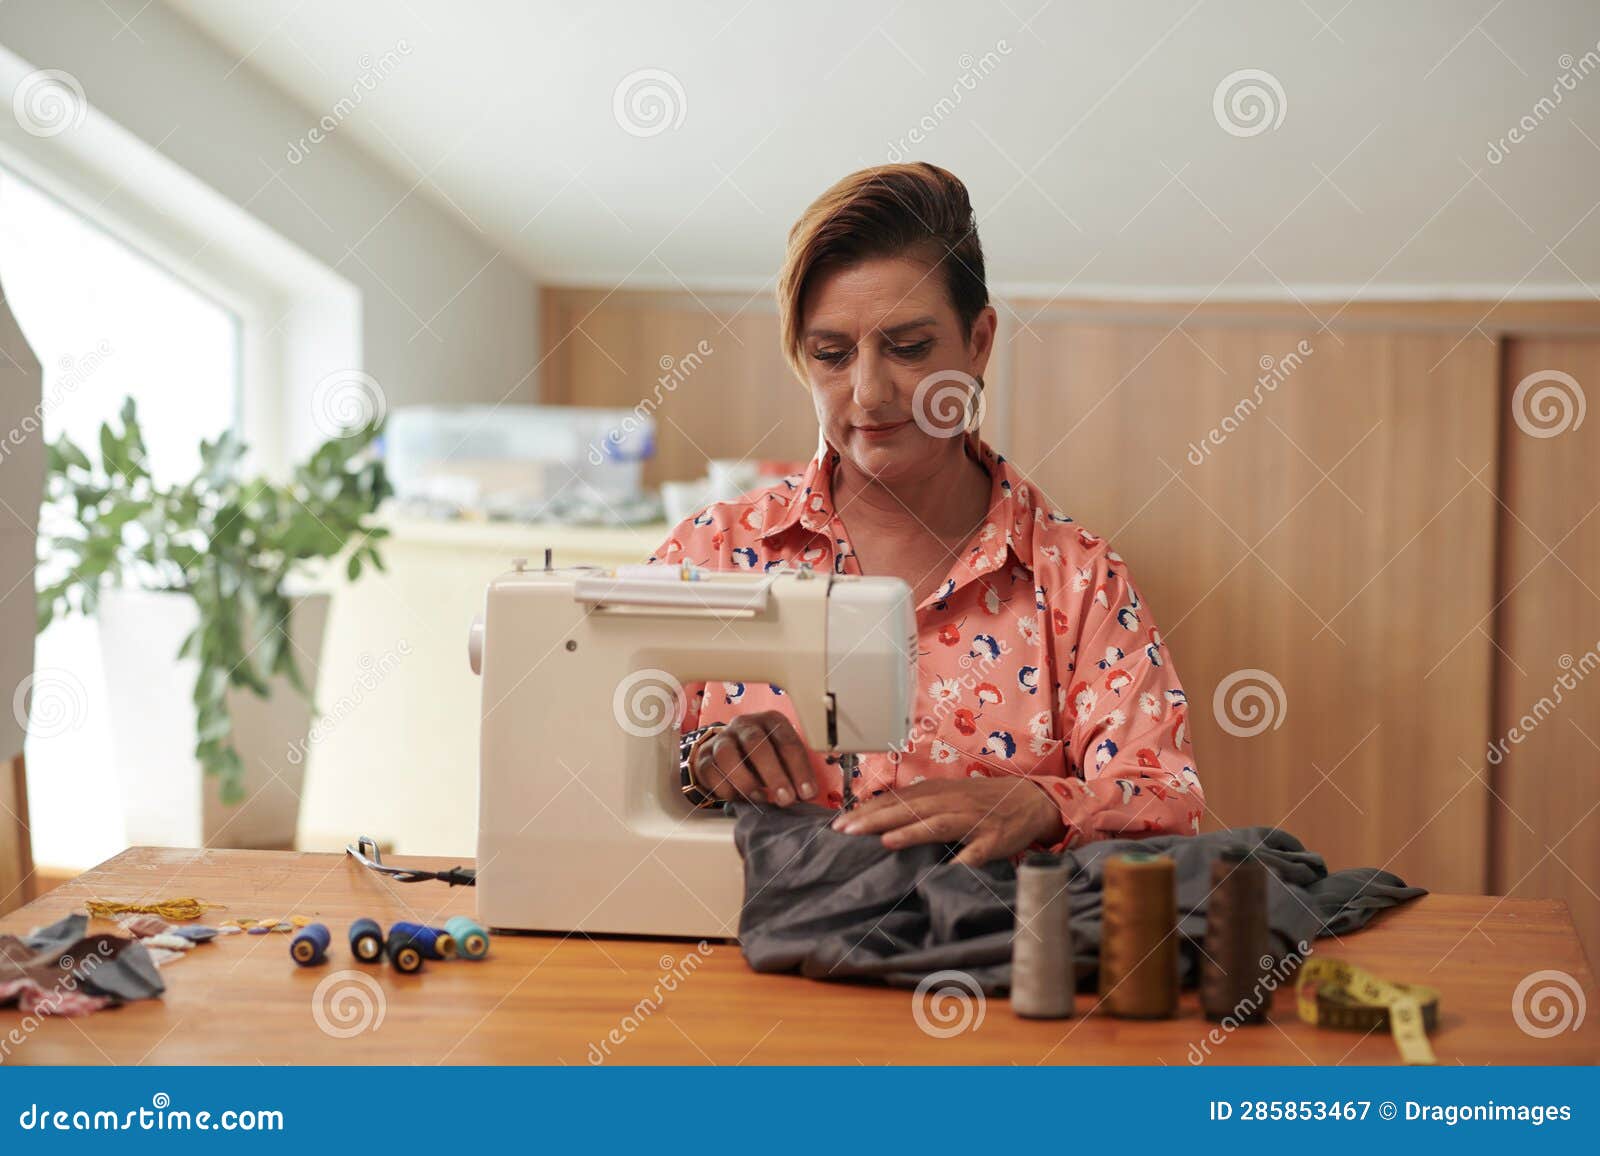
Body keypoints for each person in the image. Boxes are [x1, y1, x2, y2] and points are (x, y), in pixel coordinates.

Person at [648, 162, 1202, 866]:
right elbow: (594, 762)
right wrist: (699, 765)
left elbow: (1168, 803)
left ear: (978, 343)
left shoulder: (1079, 584)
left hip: (985, 967)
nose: (870, 392)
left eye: (909, 349)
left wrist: (1041, 805)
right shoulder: (711, 556)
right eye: (831, 355)